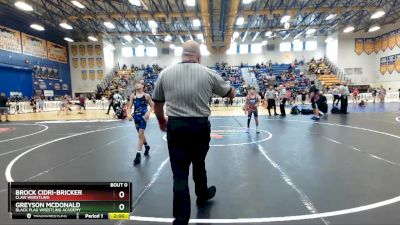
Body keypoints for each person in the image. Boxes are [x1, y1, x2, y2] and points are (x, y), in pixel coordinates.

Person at [152, 40, 236, 225]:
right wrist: (230, 90)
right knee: (199, 162)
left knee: (179, 172)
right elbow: (230, 93)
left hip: (176, 127)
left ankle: (181, 219)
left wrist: (161, 121)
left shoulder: (165, 74)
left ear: (182, 54)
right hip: (200, 127)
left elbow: (157, 104)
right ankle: (202, 193)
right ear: (198, 56)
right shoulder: (208, 73)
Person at [127, 81, 153, 165]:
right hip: (136, 117)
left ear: (142, 86)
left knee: (140, 134)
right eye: (135, 84)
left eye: (138, 84)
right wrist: (128, 114)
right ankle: (147, 146)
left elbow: (152, 105)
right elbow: (129, 106)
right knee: (140, 134)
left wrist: (148, 113)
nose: (136, 85)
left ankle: (138, 155)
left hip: (143, 117)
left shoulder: (146, 96)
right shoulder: (133, 96)